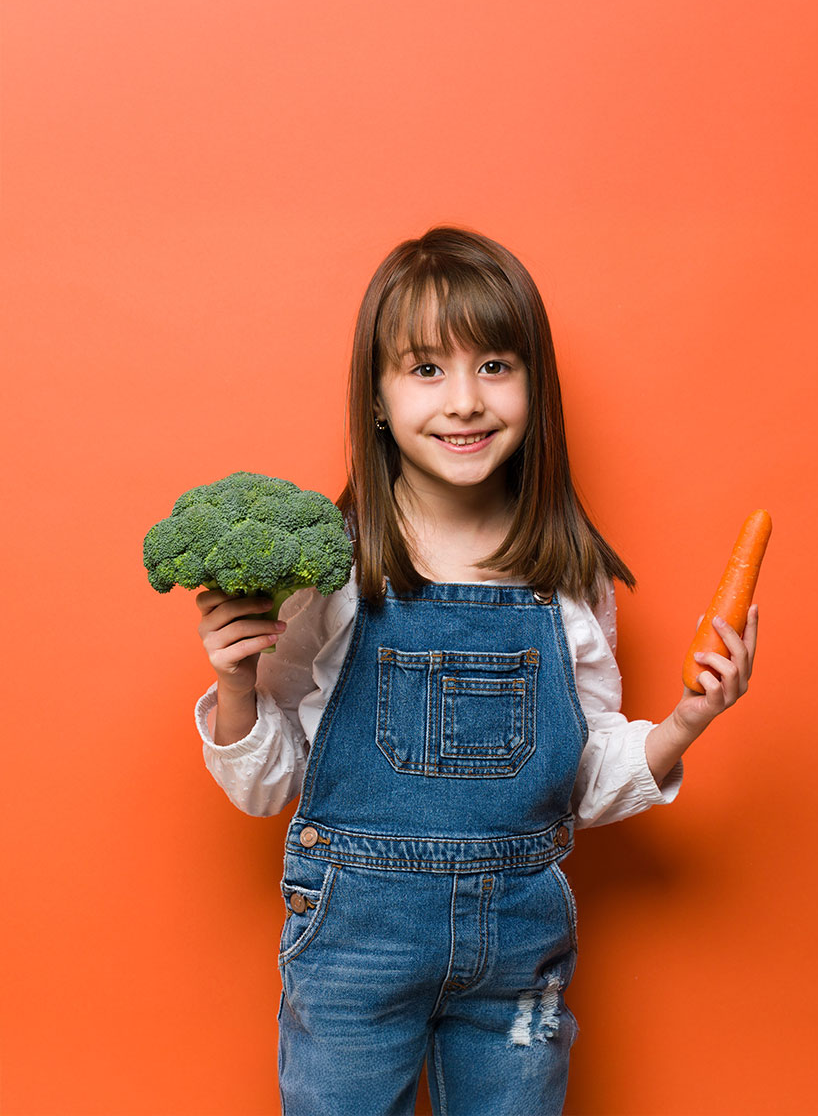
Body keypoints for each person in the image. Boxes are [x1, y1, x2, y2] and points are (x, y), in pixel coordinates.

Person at [193, 226, 758, 1116]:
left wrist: (691, 718)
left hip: (517, 955)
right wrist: (235, 685)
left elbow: (583, 779)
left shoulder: (567, 580)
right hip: (353, 947)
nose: (464, 400)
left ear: (536, 386)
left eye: (495, 365)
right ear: (376, 399)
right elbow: (272, 788)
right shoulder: (329, 569)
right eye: (425, 370)